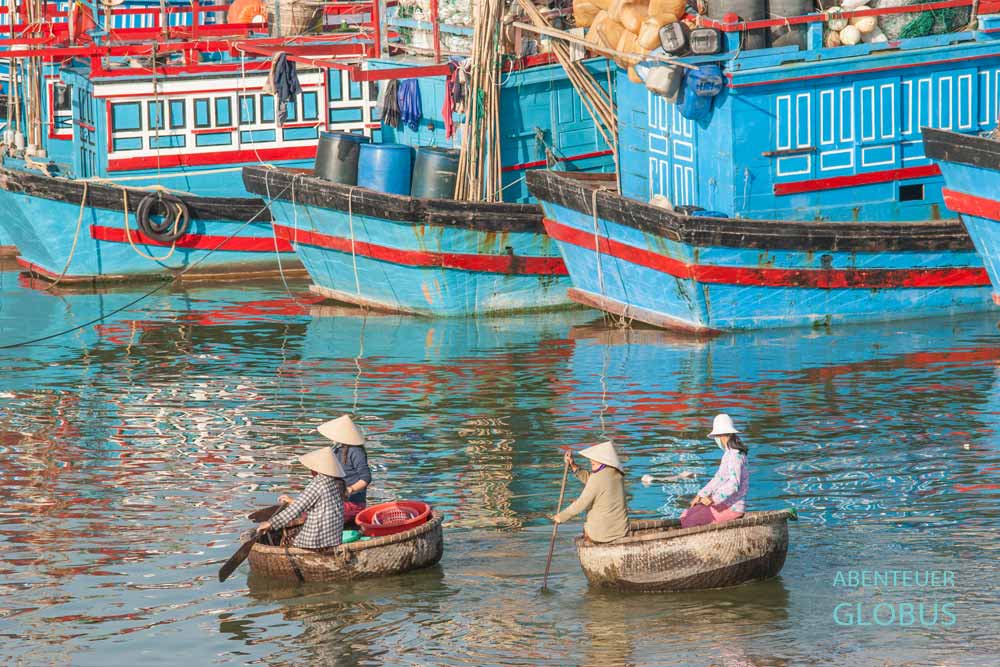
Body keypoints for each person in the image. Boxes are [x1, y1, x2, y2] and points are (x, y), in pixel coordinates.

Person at [256, 446, 347, 550]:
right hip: (334, 539)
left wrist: (270, 524)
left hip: (315, 541)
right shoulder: (338, 483)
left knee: (292, 540)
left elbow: (295, 510)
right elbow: (319, 506)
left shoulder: (318, 484)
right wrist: (292, 501)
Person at [552, 441, 629, 543]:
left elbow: (581, 503)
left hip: (602, 534)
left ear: (604, 461)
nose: (591, 463)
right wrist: (573, 466)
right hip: (622, 530)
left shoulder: (597, 479)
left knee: (586, 529)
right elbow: (593, 481)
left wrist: (560, 517)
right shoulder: (616, 474)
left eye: (594, 462)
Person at [681, 413, 749, 528]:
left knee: (689, 521)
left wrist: (713, 499)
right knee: (685, 515)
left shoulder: (735, 456)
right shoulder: (728, 454)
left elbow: (734, 485)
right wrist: (701, 494)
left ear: (721, 435)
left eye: (716, 436)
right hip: (722, 503)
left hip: (732, 507)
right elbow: (719, 478)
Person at [318, 415, 372, 525]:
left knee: (318, 514)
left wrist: (350, 490)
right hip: (336, 500)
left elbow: (366, 478)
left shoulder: (355, 451)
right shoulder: (336, 449)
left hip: (353, 503)